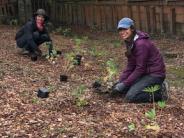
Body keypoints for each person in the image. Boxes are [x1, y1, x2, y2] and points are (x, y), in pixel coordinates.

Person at [112, 17, 168, 103]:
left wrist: (125, 84)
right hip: (145, 73)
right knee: (123, 89)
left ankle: (160, 92)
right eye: (120, 30)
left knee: (131, 97)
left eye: (125, 29)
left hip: (155, 74)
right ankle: (145, 87)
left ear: (132, 29)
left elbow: (140, 68)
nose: (122, 32)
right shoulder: (129, 41)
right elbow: (131, 65)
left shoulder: (141, 44)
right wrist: (121, 81)